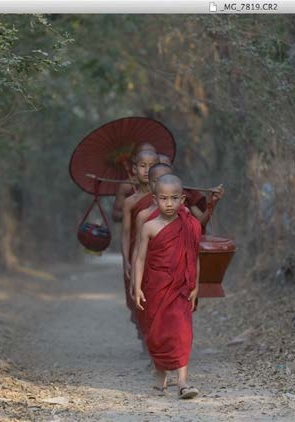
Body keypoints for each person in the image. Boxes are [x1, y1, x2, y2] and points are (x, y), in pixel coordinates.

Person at [133, 174, 202, 399]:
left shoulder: (189, 225)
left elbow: (195, 256)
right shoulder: (149, 226)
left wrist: (196, 286)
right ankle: (160, 377)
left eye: (174, 198)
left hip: (181, 287)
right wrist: (136, 286)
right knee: (157, 333)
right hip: (156, 287)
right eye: (163, 198)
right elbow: (140, 258)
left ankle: (183, 382)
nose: (169, 204)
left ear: (183, 199)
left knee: (182, 332)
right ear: (155, 199)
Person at [121, 149, 159, 321]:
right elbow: (126, 233)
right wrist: (125, 260)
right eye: (142, 165)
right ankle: (144, 334)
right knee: (138, 297)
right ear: (135, 169)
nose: (146, 170)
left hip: (157, 255)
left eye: (152, 166)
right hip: (136, 254)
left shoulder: (165, 198)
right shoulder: (130, 202)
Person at [112, 143, 157, 223]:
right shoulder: (126, 186)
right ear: (134, 159)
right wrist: (130, 213)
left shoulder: (161, 185)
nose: (147, 157)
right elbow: (115, 214)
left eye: (151, 154)